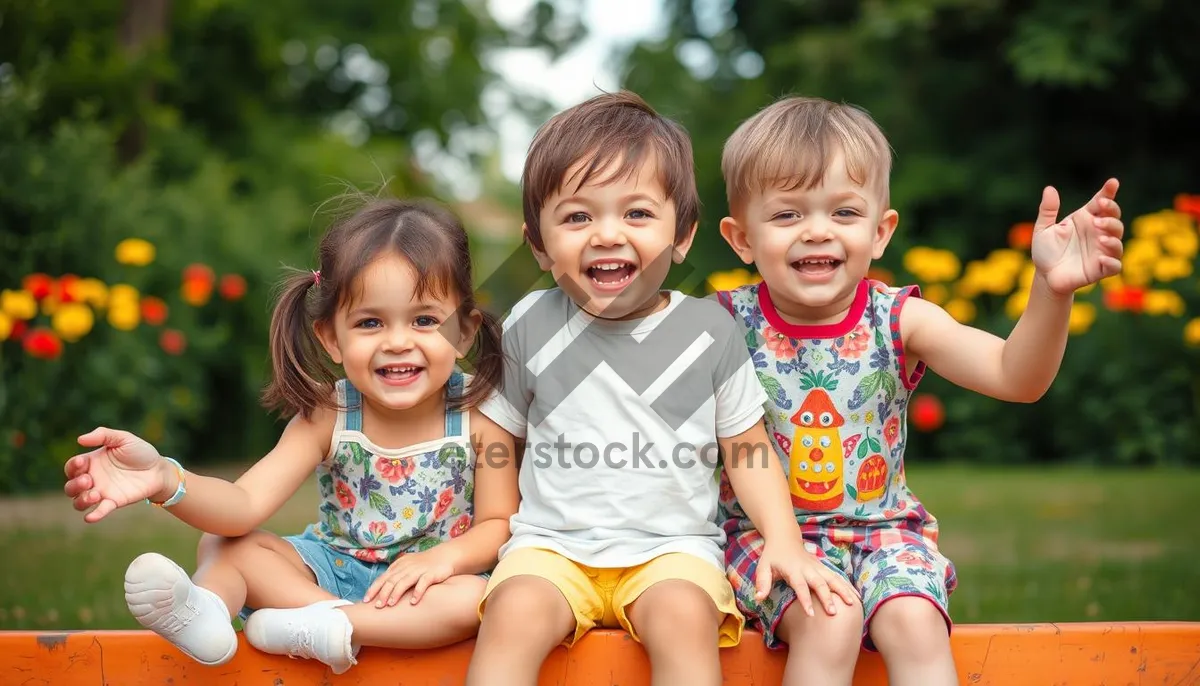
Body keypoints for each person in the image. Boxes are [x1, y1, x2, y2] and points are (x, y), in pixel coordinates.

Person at [711, 95, 1125, 686]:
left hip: (886, 533)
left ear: (881, 232)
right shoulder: (722, 325)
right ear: (741, 238)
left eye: (844, 213)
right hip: (766, 540)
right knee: (831, 617)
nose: (818, 231)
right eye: (786, 216)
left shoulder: (897, 318)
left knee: (914, 621)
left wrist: (1052, 291)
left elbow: (1017, 377)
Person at [462, 91, 859, 686]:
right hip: (550, 548)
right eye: (577, 217)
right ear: (538, 246)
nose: (606, 235)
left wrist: (785, 539)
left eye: (637, 214)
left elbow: (746, 449)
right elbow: (497, 428)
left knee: (683, 620)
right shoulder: (529, 324)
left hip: (672, 551)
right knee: (511, 618)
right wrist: (497, 521)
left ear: (683, 236)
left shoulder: (707, 332)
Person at [61, 197, 520, 674]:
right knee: (224, 545)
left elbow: (498, 524)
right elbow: (242, 505)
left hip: (430, 587)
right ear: (331, 338)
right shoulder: (330, 412)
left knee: (479, 598)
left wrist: (444, 561)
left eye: (425, 320)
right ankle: (212, 611)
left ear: (465, 332)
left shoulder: (481, 417)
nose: (398, 341)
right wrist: (162, 477)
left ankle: (331, 626)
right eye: (370, 322)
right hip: (326, 574)